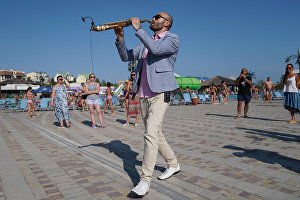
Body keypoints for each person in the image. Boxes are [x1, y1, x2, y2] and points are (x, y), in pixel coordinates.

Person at [114, 12, 180, 196]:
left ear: (166, 23)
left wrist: (138, 29)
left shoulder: (172, 38)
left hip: (161, 92)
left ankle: (145, 180)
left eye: (157, 17)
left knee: (150, 133)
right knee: (155, 133)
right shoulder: (145, 40)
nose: (153, 18)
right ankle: (173, 163)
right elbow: (126, 56)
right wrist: (120, 38)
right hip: (143, 94)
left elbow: (157, 50)